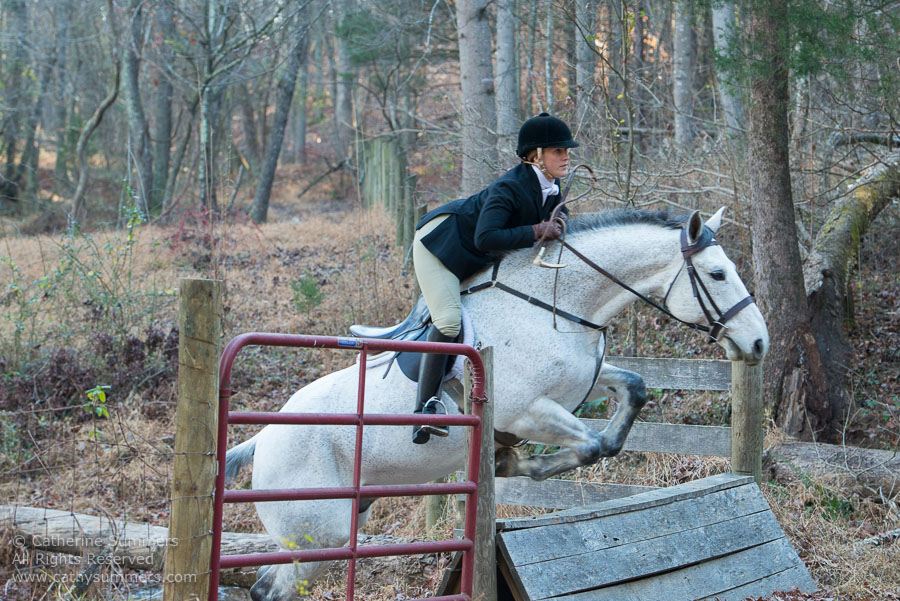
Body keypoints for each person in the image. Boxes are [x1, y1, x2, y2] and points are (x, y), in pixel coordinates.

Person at [410, 112, 579, 444]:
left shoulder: (551, 188)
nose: (566, 156)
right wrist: (537, 230)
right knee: (448, 319)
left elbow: (557, 224)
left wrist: (560, 223)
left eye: (566, 150)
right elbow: (485, 238)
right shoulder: (510, 186)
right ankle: (425, 410)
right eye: (558, 151)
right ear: (537, 155)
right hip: (441, 243)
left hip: (473, 252)